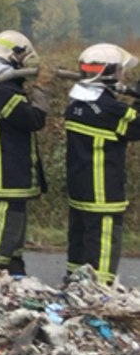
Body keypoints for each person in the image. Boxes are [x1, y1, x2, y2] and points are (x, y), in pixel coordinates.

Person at [0, 31, 47, 293]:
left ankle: (13, 278)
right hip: (9, 173)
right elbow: (33, 119)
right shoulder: (2, 90)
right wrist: (40, 89)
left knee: (11, 238)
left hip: (10, 172)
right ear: (16, 57)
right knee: (3, 234)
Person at [64, 43, 140, 286]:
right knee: (103, 251)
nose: (122, 76)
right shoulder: (110, 109)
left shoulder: (74, 105)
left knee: (79, 246)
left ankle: (74, 289)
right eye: (119, 71)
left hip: (79, 193)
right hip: (103, 195)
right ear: (109, 73)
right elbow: (136, 127)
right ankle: (98, 295)